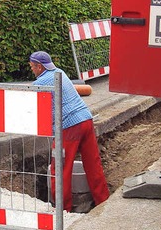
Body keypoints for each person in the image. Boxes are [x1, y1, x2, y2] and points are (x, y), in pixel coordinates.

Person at [29, 51, 110, 212]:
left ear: (39, 67)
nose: (31, 70)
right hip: (86, 120)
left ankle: (62, 210)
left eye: (32, 67)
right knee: (93, 164)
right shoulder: (60, 72)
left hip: (69, 127)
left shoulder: (42, 82)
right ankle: (103, 202)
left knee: (59, 169)